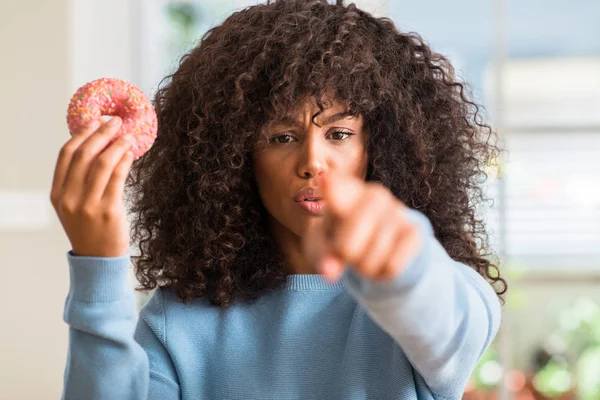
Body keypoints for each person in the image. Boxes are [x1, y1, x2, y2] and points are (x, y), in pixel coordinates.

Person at [51, 1, 507, 399]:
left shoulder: (443, 300)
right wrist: (98, 270)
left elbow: (440, 308)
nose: (312, 161)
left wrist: (401, 256)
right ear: (232, 156)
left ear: (381, 148)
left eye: (340, 134)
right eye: (282, 136)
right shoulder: (178, 321)